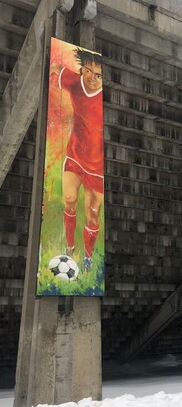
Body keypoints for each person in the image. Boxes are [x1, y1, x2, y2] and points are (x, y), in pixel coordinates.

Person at [50, 47, 104, 273]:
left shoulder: (103, 97)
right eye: (88, 71)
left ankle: (89, 257)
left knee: (92, 216)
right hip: (75, 155)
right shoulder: (75, 82)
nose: (92, 77)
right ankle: (70, 247)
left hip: (98, 168)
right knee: (69, 199)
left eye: (98, 74)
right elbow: (55, 69)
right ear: (82, 71)